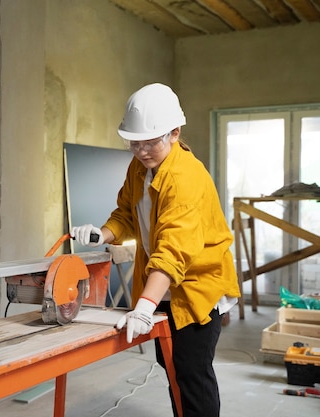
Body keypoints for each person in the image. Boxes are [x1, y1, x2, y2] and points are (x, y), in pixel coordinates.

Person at [71, 83, 241, 417]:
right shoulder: (140, 167)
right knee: (170, 362)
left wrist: (144, 307)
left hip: (196, 288)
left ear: (175, 133)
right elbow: (126, 214)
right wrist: (102, 235)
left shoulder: (186, 177)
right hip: (164, 284)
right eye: (134, 143)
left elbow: (174, 250)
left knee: (192, 371)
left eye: (150, 142)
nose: (141, 150)